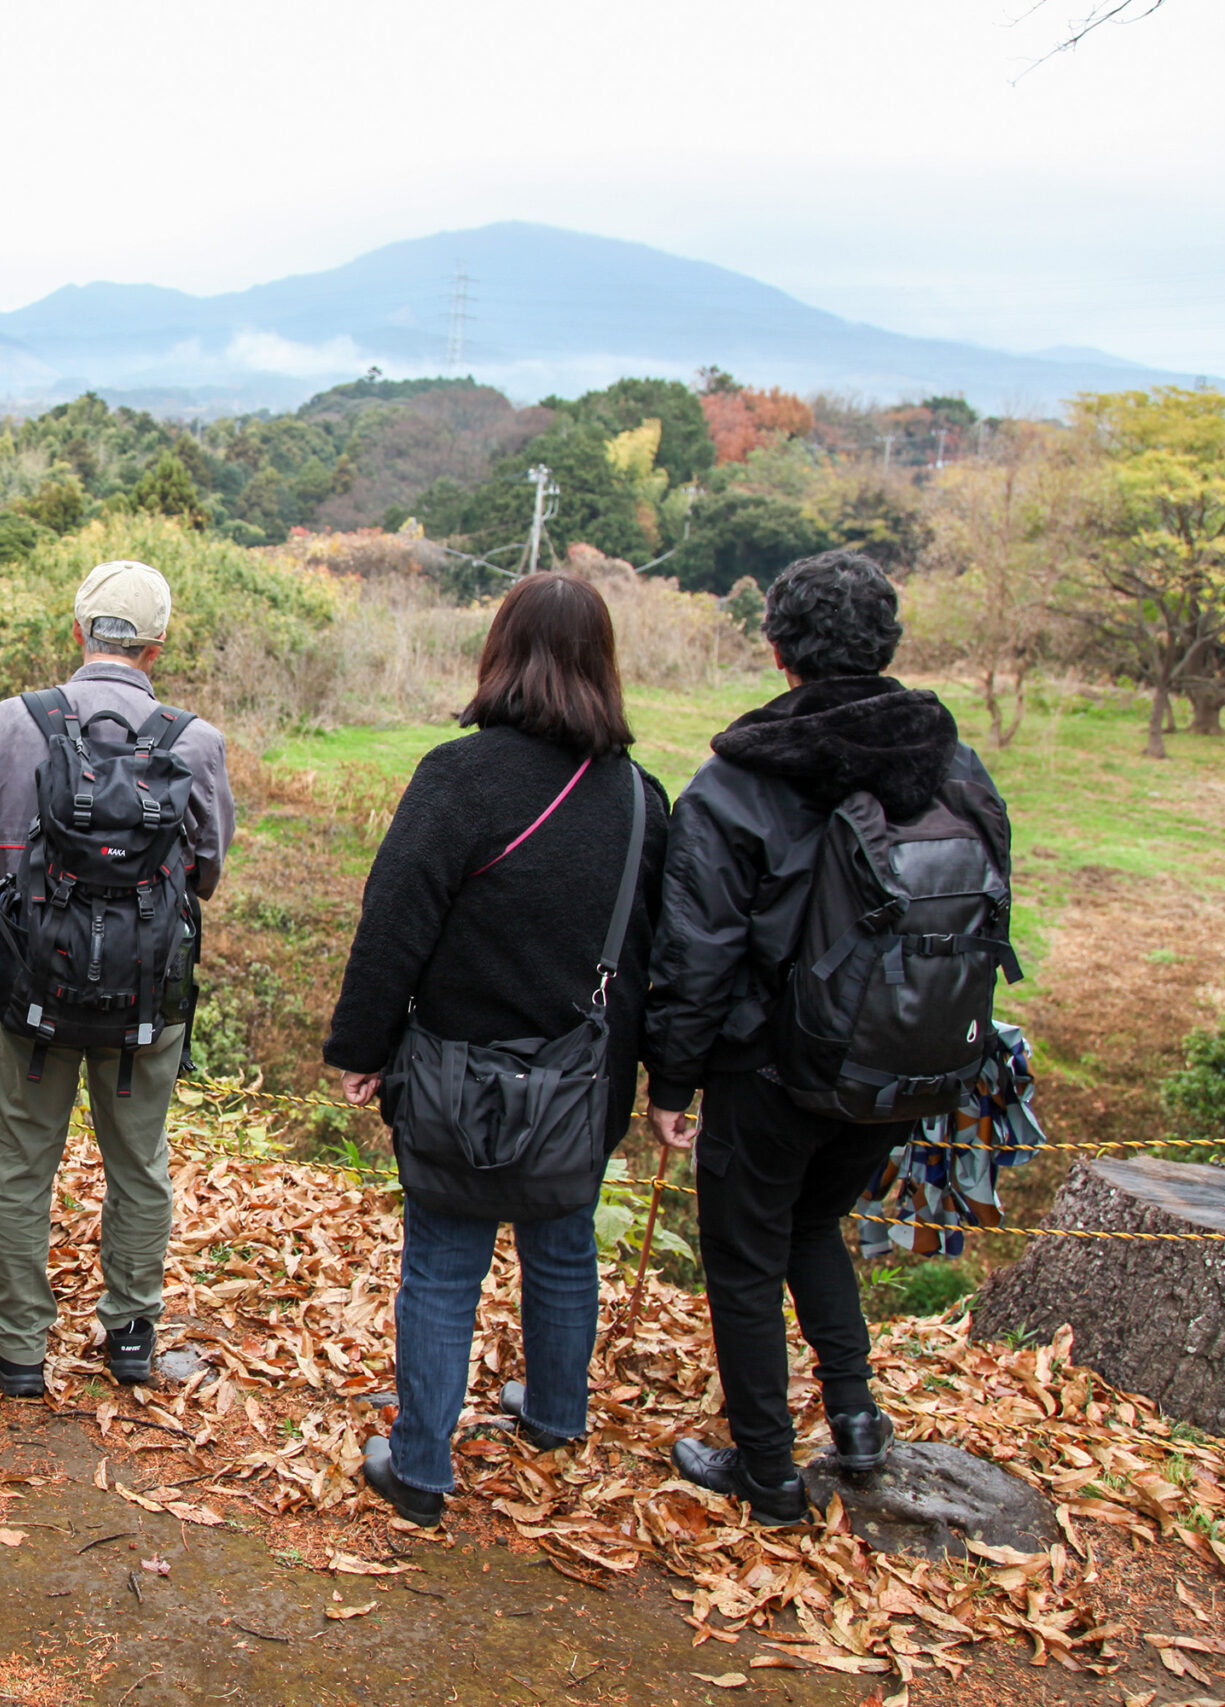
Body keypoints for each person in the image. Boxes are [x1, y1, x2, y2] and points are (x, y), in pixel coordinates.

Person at [643, 551, 1006, 1521]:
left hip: (771, 1069)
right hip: (910, 1062)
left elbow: (697, 949)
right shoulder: (953, 766)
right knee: (814, 1224)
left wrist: (671, 1083)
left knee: (746, 1256)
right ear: (886, 644)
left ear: (776, 650)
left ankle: (765, 1474)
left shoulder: (739, 781)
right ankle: (854, 1421)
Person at [322, 572, 669, 1528]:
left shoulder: (458, 775)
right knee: (563, 1245)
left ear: (500, 652)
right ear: (602, 664)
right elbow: (655, 957)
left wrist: (363, 1044)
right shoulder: (639, 797)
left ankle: (423, 1467)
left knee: (441, 1264)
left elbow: (395, 920)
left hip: (455, 1080)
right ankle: (556, 1414)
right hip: (582, 1087)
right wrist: (665, 1080)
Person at [0, 559, 233, 1397]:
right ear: (158, 644)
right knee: (139, 1163)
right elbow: (206, 870)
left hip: (33, 989)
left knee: (24, 1164)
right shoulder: (193, 739)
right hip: (147, 998)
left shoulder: (13, 722)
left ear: (79, 631)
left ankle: (22, 1345)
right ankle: (132, 1334)